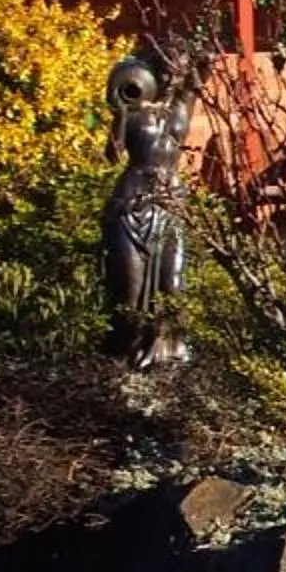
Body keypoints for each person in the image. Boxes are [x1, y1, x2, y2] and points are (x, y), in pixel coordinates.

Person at [103, 47, 195, 369]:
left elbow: (205, 67)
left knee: (173, 285)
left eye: (178, 71)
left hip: (169, 203)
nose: (172, 77)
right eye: (166, 70)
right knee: (129, 289)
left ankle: (171, 356)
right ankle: (123, 358)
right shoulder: (134, 111)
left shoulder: (183, 105)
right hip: (132, 203)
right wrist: (121, 114)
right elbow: (113, 155)